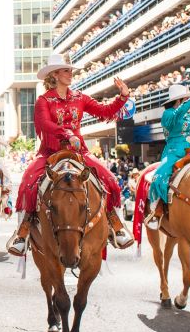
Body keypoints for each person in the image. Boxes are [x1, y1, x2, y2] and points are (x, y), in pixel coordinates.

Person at [8, 53, 133, 256]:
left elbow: (105, 111)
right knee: (27, 182)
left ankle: (115, 224)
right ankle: (23, 230)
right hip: (51, 152)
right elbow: (45, 124)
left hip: (79, 152)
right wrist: (65, 133)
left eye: (70, 70)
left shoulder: (80, 97)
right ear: (55, 74)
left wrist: (123, 97)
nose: (70, 73)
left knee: (110, 180)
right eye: (66, 70)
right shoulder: (43, 101)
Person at [146, 83, 190, 229]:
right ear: (180, 100)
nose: (187, 101)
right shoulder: (168, 114)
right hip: (174, 151)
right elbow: (178, 114)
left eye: (188, 99)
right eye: (185, 99)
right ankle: (155, 210)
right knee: (158, 177)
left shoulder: (188, 116)